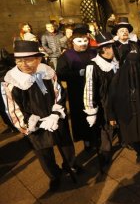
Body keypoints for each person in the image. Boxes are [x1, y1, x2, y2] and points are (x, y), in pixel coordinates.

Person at [1, 40, 78, 191]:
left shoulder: (48, 72)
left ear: (39, 59)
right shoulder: (12, 82)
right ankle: (54, 175)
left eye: (28, 60)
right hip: (35, 124)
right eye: (19, 60)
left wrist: (56, 114)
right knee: (44, 153)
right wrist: (35, 123)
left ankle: (70, 165)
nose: (23, 64)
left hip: (55, 119)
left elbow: (59, 93)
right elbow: (13, 110)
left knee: (66, 145)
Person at [56, 24, 97, 149]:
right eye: (80, 41)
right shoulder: (67, 56)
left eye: (85, 40)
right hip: (77, 91)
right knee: (81, 116)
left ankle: (97, 135)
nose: (83, 43)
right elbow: (60, 74)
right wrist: (76, 73)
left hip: (94, 89)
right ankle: (86, 139)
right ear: (72, 41)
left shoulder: (93, 52)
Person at [83, 32, 119, 166]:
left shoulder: (115, 62)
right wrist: (90, 110)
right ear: (103, 49)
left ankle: (124, 141)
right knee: (106, 128)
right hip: (104, 103)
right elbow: (89, 89)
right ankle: (106, 151)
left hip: (118, 100)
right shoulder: (93, 66)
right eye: (110, 47)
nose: (113, 50)